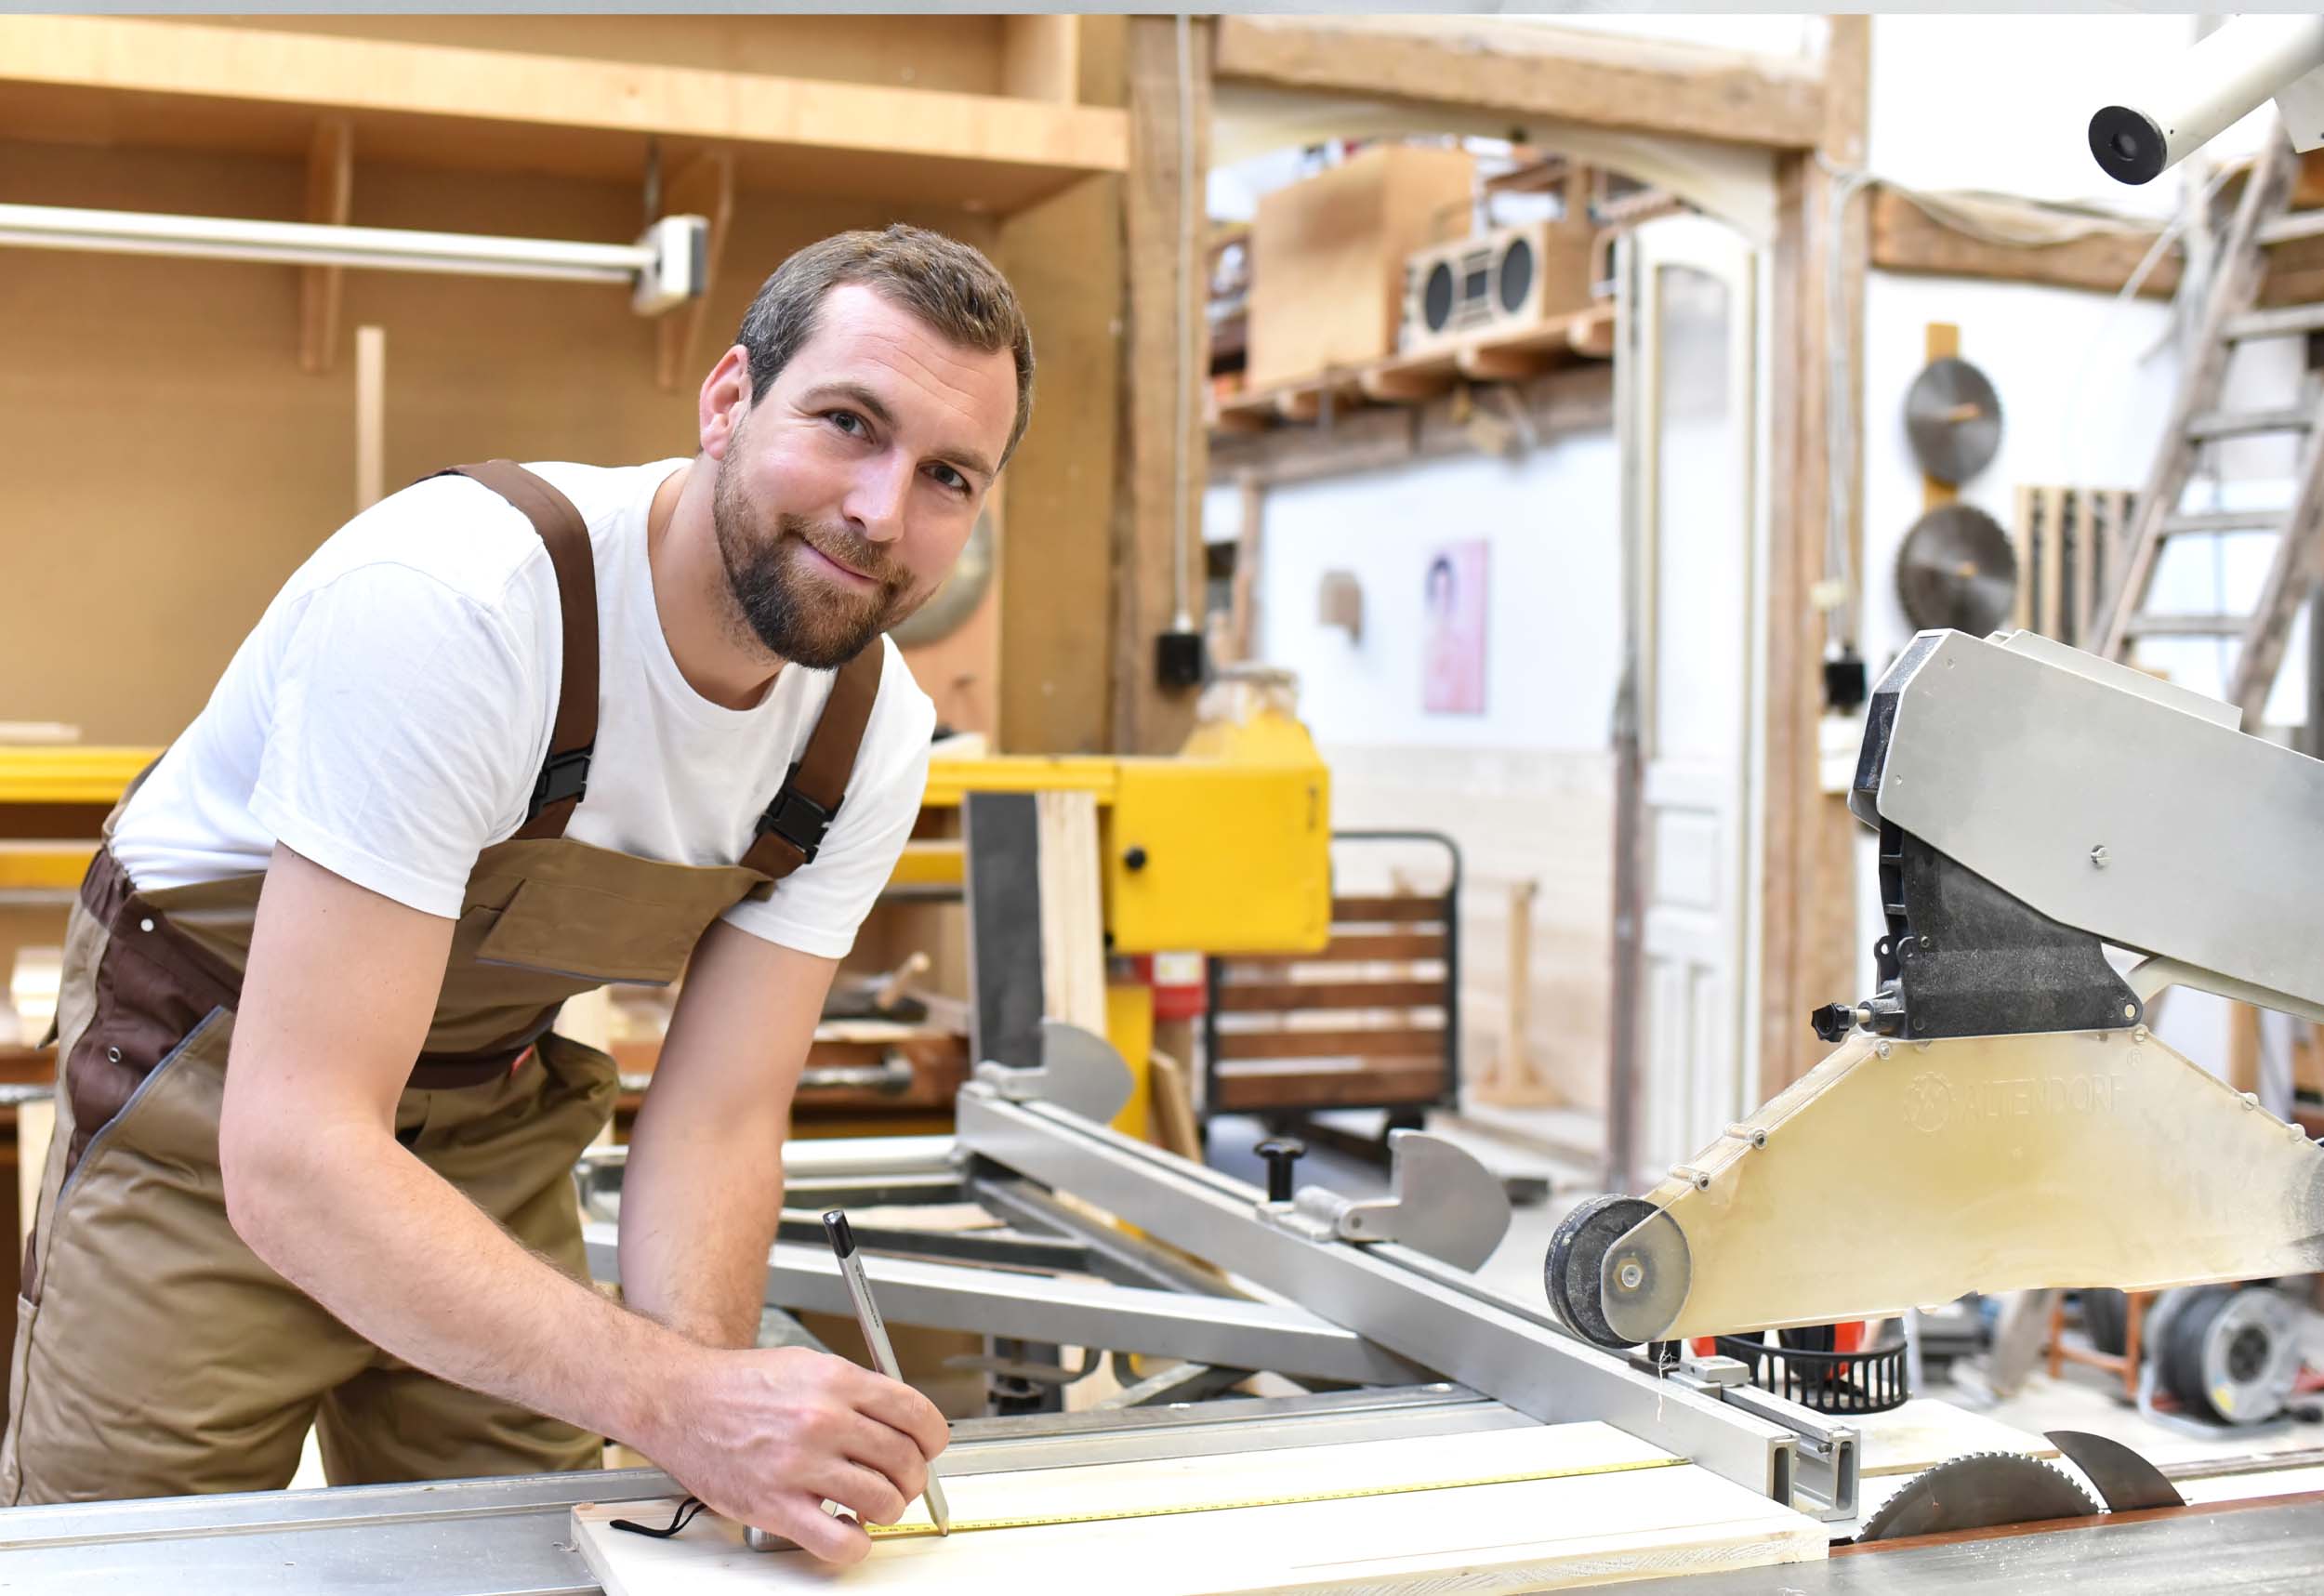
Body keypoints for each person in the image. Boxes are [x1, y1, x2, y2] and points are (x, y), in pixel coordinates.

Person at [2, 224, 1033, 1566]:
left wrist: (709, 1417)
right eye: (848, 423)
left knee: (544, 1554)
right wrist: (666, 1394)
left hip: (491, 1109)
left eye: (947, 475)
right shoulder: (462, 605)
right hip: (211, 1093)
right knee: (140, 1561)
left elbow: (718, 1117)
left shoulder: (867, 734)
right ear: (728, 400)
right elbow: (295, 1146)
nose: (882, 511)